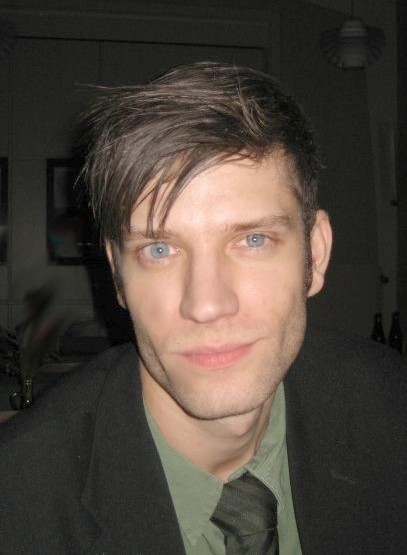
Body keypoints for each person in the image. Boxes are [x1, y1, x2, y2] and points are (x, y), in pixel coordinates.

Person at [0, 61, 406, 555]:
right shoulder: (20, 503)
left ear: (315, 255)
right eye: (159, 250)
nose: (207, 305)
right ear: (117, 274)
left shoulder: (388, 406)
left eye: (253, 240)